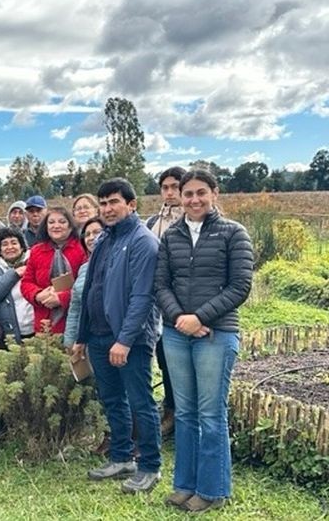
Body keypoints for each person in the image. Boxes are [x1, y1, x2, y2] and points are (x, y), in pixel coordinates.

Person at [155, 169, 253, 513]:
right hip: (177, 333)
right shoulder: (172, 236)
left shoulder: (233, 233)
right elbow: (161, 284)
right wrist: (182, 319)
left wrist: (201, 318)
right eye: (188, 194)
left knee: (211, 414)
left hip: (217, 333)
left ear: (214, 193)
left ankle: (213, 490)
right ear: (179, 197)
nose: (194, 200)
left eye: (201, 193)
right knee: (185, 413)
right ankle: (185, 485)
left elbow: (240, 285)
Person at [71, 178, 161, 494]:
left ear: (131, 204)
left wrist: (124, 340)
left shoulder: (143, 242)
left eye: (114, 202)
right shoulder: (105, 240)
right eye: (104, 203)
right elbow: (91, 291)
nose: (108, 208)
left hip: (129, 340)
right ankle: (122, 457)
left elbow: (142, 297)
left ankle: (150, 465)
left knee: (140, 402)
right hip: (97, 336)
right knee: (112, 400)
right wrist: (82, 336)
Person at [146, 166, 187, 437]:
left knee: (186, 363)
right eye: (165, 187)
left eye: (175, 186)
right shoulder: (152, 222)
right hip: (158, 304)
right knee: (164, 359)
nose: (170, 192)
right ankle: (170, 410)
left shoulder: (191, 220)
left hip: (187, 303)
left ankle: (184, 415)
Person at [20, 207, 86, 335]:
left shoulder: (81, 249)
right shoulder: (36, 251)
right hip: (43, 323)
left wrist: (62, 298)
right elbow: (26, 282)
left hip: (73, 322)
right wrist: (38, 295)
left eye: (62, 222)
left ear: (71, 226)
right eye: (51, 222)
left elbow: (87, 285)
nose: (56, 226)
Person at [63, 217, 106, 348]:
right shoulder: (83, 269)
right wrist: (70, 342)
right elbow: (75, 308)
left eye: (97, 232)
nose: (91, 237)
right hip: (90, 339)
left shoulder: (119, 264)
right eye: (87, 234)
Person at [0, 226, 34, 345]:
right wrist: (15, 273)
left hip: (37, 328)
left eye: (14, 243)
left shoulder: (34, 260)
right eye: (4, 244)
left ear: (22, 246)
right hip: (12, 333)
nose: (10, 247)